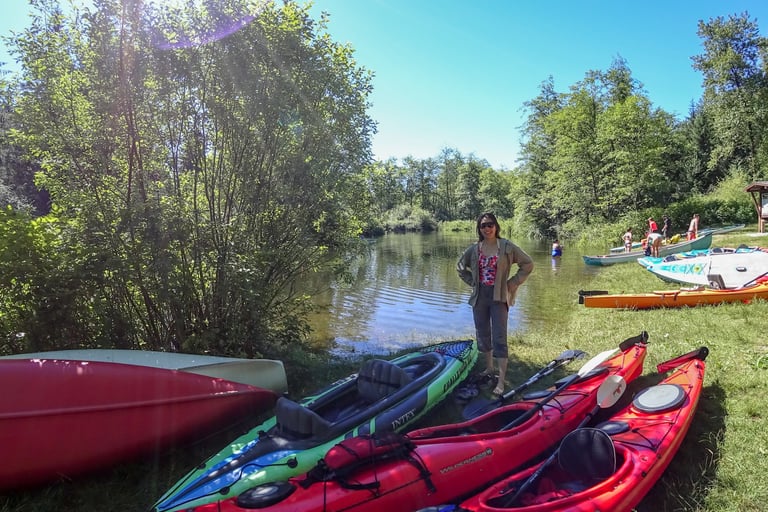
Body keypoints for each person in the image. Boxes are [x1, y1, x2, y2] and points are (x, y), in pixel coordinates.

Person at [457, 212, 534, 396]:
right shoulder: (475, 249)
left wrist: (513, 282)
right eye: (483, 225)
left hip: (499, 295)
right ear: (479, 229)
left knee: (499, 336)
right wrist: (473, 282)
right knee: (483, 333)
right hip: (480, 296)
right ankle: (489, 368)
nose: (487, 228)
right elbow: (460, 267)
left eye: (490, 224)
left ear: (496, 226)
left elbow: (528, 264)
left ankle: (501, 380)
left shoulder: (506, 246)